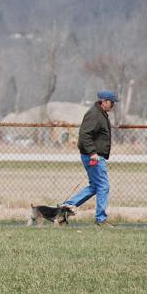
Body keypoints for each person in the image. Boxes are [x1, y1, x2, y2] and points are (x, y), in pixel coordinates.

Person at [62, 90, 118, 227]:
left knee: (95, 186)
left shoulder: (100, 113)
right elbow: (84, 135)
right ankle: (101, 220)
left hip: (94, 156)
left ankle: (67, 207)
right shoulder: (94, 114)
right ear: (104, 101)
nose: (113, 105)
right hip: (93, 156)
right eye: (112, 102)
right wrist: (93, 152)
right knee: (103, 186)